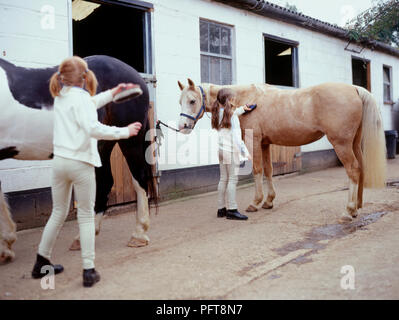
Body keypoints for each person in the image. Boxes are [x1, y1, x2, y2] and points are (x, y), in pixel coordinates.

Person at [31, 56, 142, 287]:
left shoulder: (60, 97)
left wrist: (113, 93)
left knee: (58, 212)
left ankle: (41, 262)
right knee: (85, 216)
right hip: (80, 164)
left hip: (60, 163)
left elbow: (89, 103)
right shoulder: (81, 99)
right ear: (84, 78)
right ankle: (89, 270)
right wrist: (125, 132)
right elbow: (93, 128)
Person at [211, 88, 254, 221]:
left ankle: (221, 209)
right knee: (232, 180)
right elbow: (237, 138)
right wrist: (246, 152)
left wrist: (243, 109)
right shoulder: (232, 117)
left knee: (223, 178)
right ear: (229, 100)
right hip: (231, 151)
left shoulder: (218, 113)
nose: (235, 100)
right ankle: (232, 210)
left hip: (221, 151)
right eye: (233, 98)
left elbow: (232, 113)